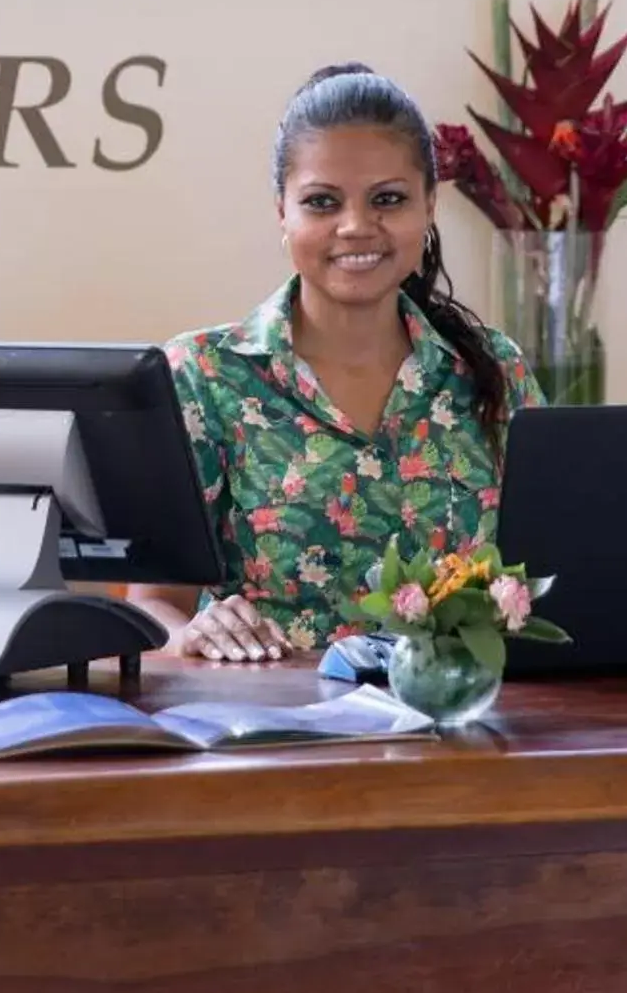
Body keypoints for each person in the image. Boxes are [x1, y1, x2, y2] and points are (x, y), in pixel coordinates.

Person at [140, 64, 542, 663]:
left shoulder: (494, 370)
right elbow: (149, 606)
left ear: (429, 205)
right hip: (271, 735)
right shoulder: (201, 376)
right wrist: (196, 635)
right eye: (322, 202)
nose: (356, 226)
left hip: (457, 731)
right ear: (282, 211)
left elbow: (549, 580)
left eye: (388, 199)